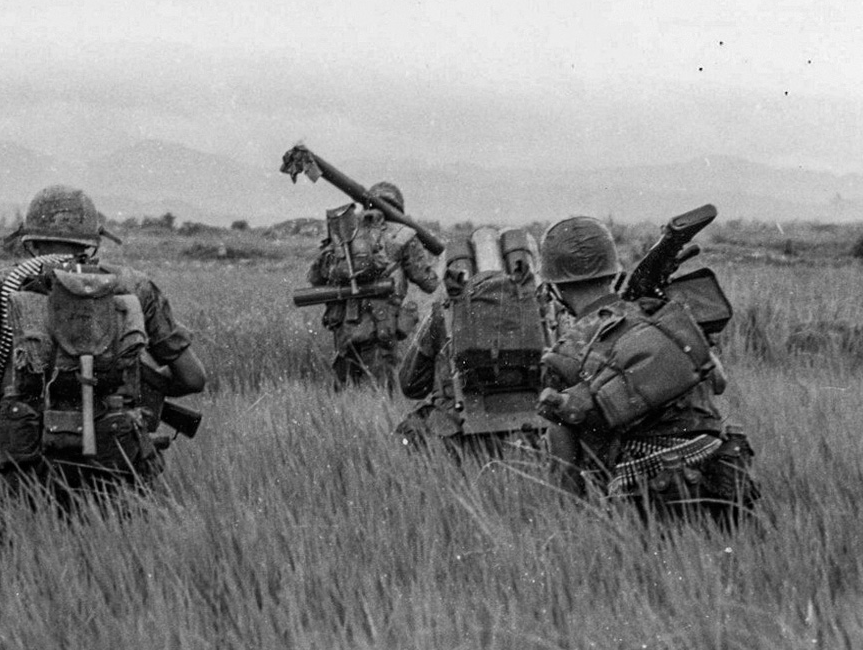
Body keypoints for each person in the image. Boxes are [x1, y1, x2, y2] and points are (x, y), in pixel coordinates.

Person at [0, 185, 206, 511]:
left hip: (30, 454)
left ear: (30, 243)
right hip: (117, 449)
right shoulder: (137, 286)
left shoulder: (3, 286)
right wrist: (137, 385)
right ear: (95, 241)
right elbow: (192, 378)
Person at [535, 216, 757, 524]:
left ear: (554, 288)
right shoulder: (665, 315)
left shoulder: (563, 355)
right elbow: (718, 381)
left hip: (646, 502)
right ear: (614, 272)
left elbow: (565, 474)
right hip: (724, 476)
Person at [396, 228, 548, 459]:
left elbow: (410, 384)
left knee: (405, 437)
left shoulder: (443, 314)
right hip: (538, 431)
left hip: (459, 433)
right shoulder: (542, 309)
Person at [306, 181, 439, 390]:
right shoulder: (404, 235)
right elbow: (429, 283)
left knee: (344, 393)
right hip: (382, 325)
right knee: (382, 395)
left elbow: (314, 277)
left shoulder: (345, 233)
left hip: (344, 324)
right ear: (398, 207)